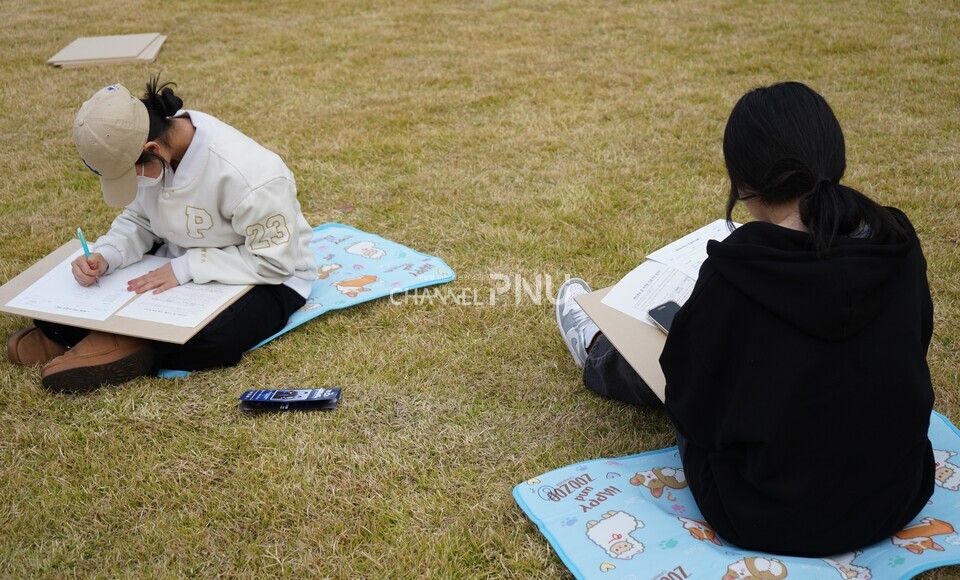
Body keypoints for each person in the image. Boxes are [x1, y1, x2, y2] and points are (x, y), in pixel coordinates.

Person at [555, 82, 934, 557]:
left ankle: (596, 350)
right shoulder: (894, 238)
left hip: (767, 514)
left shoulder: (736, 272)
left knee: (665, 348)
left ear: (745, 184)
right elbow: (913, 344)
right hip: (896, 495)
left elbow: (693, 407)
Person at [7, 78, 317, 393]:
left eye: (132, 176)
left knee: (215, 339)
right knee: (62, 299)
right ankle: (104, 337)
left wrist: (185, 268)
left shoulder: (252, 175)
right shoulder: (158, 153)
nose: (135, 186)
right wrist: (107, 255)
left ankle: (109, 339)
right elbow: (139, 218)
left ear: (152, 150)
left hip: (266, 276)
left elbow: (273, 262)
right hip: (177, 259)